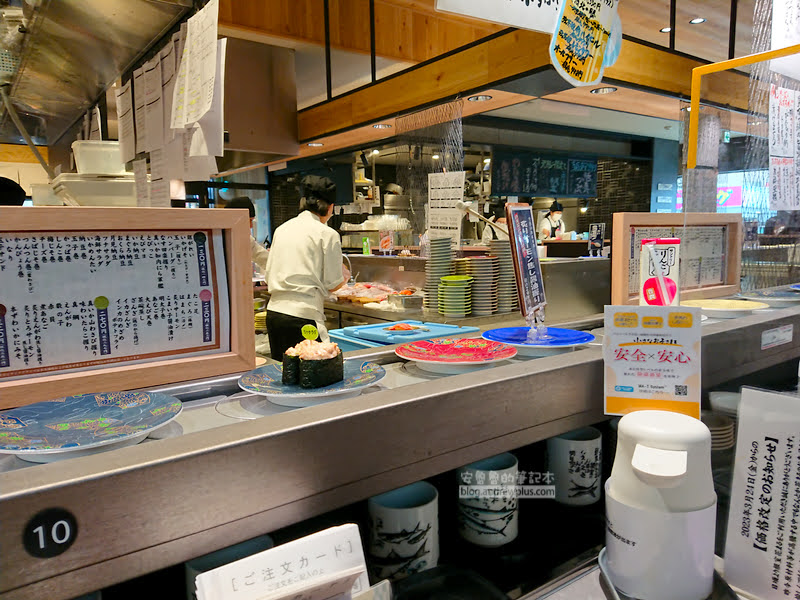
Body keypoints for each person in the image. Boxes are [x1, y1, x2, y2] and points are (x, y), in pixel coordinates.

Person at [265, 175, 351, 360]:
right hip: (303, 317)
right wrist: (345, 277)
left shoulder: (282, 229)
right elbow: (332, 283)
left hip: (274, 314)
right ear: (330, 207)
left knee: (286, 373)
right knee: (315, 374)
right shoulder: (327, 234)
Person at [224, 197, 270, 274]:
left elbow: (265, 259)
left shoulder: (246, 240)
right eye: (250, 220)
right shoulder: (215, 237)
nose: (251, 226)